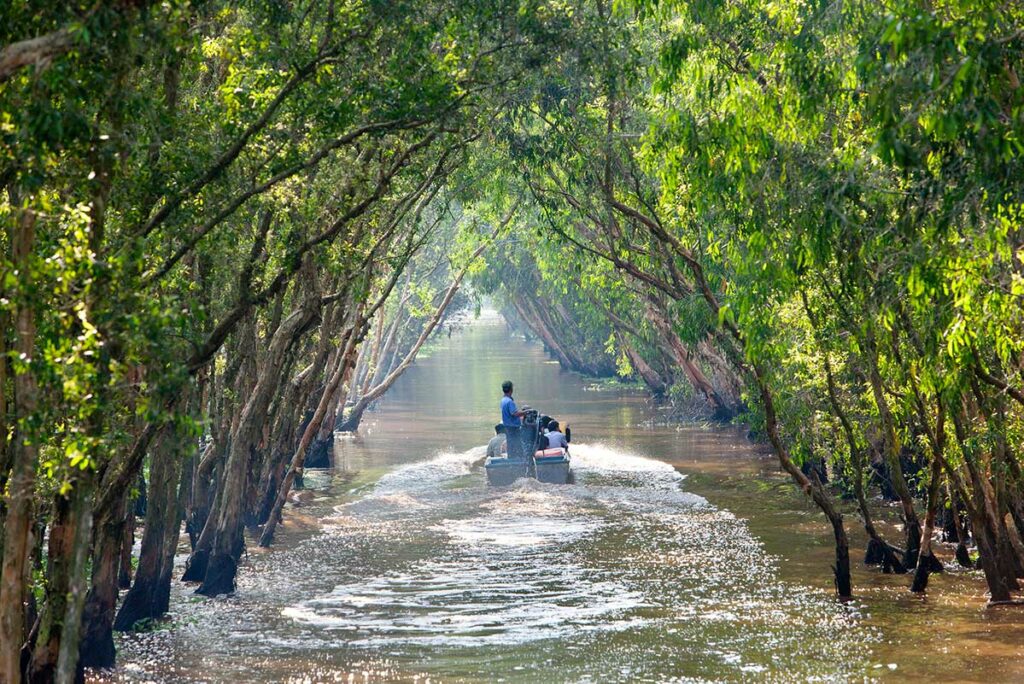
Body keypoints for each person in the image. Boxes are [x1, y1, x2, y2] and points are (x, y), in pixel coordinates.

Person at [500, 380, 526, 459]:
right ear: (511, 390)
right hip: (513, 427)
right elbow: (514, 413)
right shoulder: (509, 401)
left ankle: (511, 459)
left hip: (507, 426)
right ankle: (518, 460)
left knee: (511, 445)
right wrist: (526, 412)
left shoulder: (503, 400)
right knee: (517, 445)